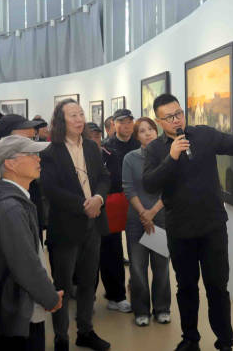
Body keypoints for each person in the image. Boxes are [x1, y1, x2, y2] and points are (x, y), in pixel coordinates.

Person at [143, 94, 233, 351]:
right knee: (186, 288)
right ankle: (190, 339)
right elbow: (150, 184)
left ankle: (225, 343)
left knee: (217, 288)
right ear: (159, 121)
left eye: (179, 113)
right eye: (169, 117)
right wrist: (171, 157)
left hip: (212, 227)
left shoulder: (203, 134)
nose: (176, 120)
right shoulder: (154, 150)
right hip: (180, 230)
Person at [0, 135, 63, 351]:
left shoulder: (9, 198)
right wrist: (49, 298)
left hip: (14, 303)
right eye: (31, 155)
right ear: (10, 164)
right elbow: (25, 264)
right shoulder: (10, 208)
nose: (38, 159)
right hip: (19, 308)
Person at [39, 99, 111, 351]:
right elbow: (50, 189)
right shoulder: (50, 152)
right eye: (73, 115)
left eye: (81, 114)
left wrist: (99, 198)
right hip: (66, 227)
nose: (79, 119)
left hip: (94, 224)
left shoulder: (91, 147)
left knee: (89, 282)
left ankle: (85, 331)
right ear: (61, 121)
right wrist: (84, 205)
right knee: (63, 285)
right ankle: (61, 337)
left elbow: (104, 177)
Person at [123, 117, 170, 326]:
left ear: (156, 131)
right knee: (137, 268)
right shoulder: (130, 158)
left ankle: (162, 308)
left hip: (159, 218)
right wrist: (144, 213)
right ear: (137, 136)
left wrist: (152, 213)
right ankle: (141, 310)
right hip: (136, 220)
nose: (148, 133)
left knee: (161, 267)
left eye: (151, 129)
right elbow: (128, 188)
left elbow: (169, 189)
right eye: (142, 131)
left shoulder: (167, 156)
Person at [99, 109, 140, 313]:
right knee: (111, 250)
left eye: (129, 121)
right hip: (113, 202)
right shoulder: (105, 148)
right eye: (121, 122)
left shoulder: (140, 143)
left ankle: (140, 290)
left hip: (140, 201)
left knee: (142, 248)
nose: (126, 125)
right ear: (113, 124)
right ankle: (116, 296)